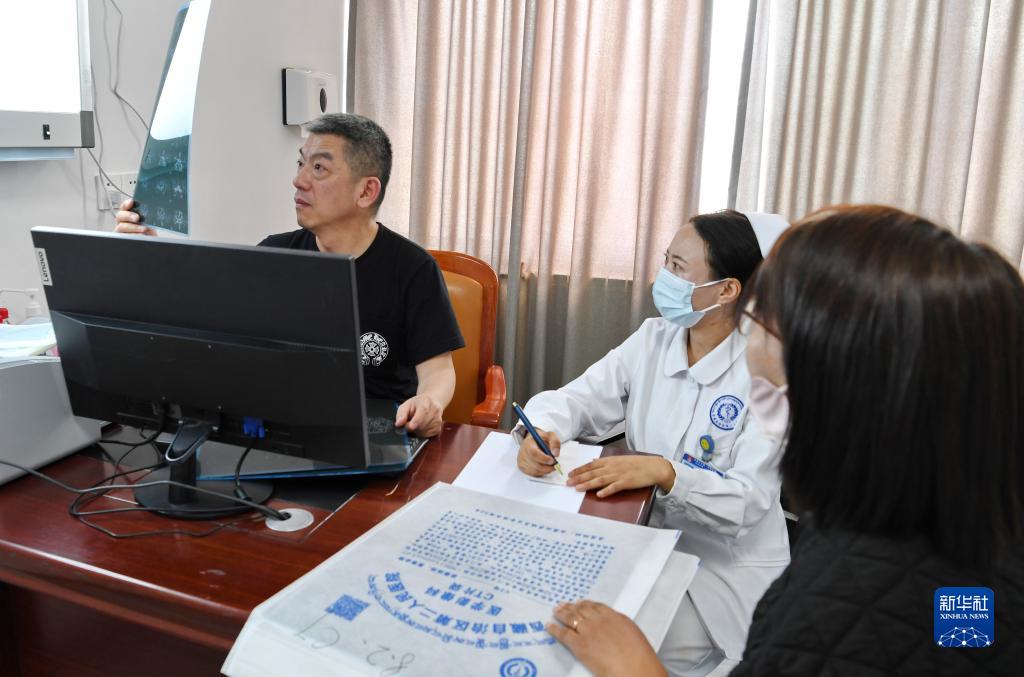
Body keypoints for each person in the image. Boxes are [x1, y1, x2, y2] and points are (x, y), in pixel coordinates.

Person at [548, 205, 1024, 676]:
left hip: (722, 577)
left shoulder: (846, 599)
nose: (752, 342)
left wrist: (638, 671)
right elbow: (965, 649)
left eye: (766, 321)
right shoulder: (967, 536)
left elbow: (935, 642)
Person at [516, 210, 791, 675]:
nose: (663, 277)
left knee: (593, 652)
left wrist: (668, 473)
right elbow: (577, 399)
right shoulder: (654, 338)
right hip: (643, 538)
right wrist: (541, 430)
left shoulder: (768, 368)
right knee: (548, 611)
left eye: (678, 267)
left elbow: (750, 502)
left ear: (727, 290)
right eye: (666, 261)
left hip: (720, 572)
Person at [115, 113, 463, 437]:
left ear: (366, 191)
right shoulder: (274, 255)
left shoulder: (413, 269)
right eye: (301, 163)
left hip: (378, 432)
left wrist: (430, 400)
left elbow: (437, 369)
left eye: (319, 168)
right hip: (283, 430)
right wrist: (149, 257)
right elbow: (205, 322)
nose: (299, 180)